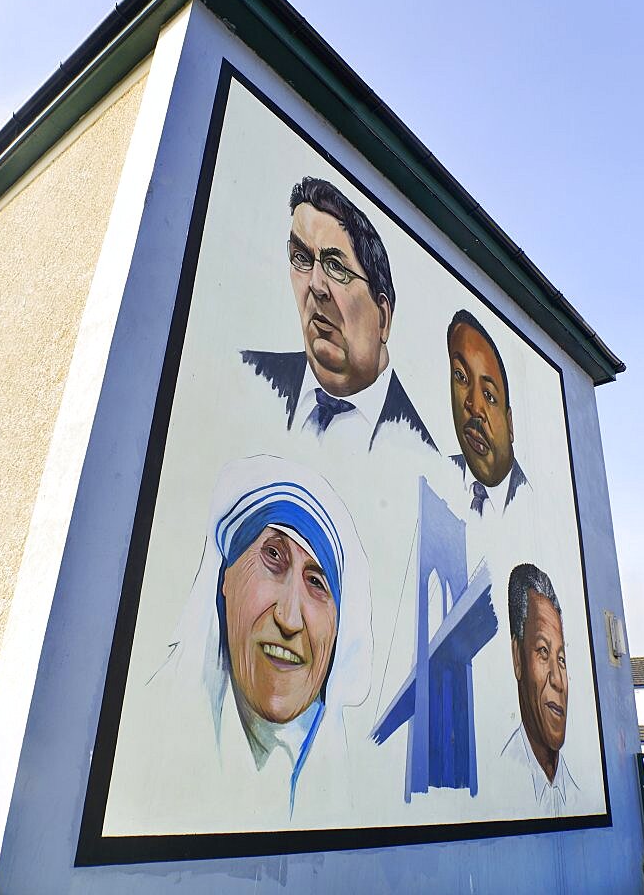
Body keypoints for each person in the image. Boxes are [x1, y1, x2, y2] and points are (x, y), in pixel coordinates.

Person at [158, 455, 373, 818]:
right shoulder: (153, 736)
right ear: (225, 577)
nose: (289, 618)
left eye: (318, 582)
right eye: (273, 557)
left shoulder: (350, 802)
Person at [242, 177, 436, 451]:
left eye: (335, 267)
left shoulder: (422, 455)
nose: (316, 285)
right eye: (302, 258)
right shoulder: (249, 376)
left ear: (382, 318)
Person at [501, 563, 578, 814]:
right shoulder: (503, 779)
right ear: (517, 658)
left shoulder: (577, 796)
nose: (557, 679)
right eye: (543, 652)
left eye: (562, 659)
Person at [447, 309, 528, 515]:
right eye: (461, 376)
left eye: (490, 396)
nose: (474, 407)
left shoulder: (531, 505)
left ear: (510, 424)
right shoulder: (433, 472)